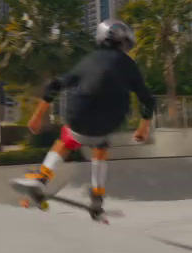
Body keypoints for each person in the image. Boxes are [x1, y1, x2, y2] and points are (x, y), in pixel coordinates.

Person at [10, 19, 156, 215]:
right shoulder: (130, 66)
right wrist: (143, 127)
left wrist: (37, 116)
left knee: (66, 139)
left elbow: (55, 85)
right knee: (101, 144)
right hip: (109, 123)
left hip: (79, 119)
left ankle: (41, 179)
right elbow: (148, 100)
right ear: (124, 43)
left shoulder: (90, 60)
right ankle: (97, 196)